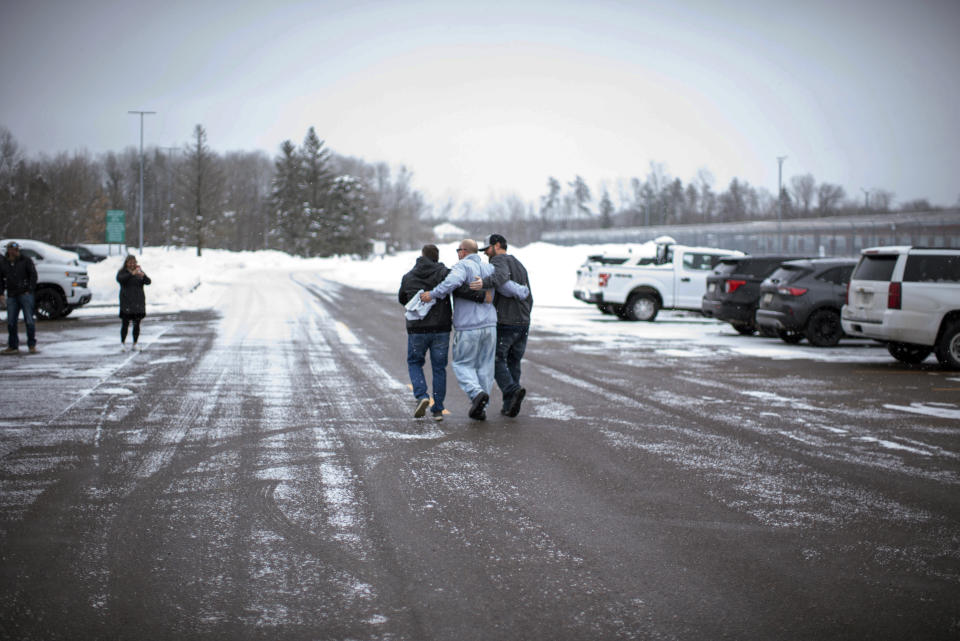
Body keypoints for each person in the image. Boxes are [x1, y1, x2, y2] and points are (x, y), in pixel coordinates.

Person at [421, 239, 528, 421]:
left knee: (462, 364)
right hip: (490, 326)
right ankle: (481, 407)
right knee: (486, 367)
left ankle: (476, 393)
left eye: (458, 250)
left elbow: (450, 284)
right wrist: (522, 291)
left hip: (468, 326)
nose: (458, 253)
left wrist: (432, 294)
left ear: (463, 251)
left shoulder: (462, 267)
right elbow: (507, 287)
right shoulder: (489, 269)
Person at [472, 234, 533, 417]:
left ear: (497, 245)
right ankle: (509, 406)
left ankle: (511, 390)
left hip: (506, 320)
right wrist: (526, 315)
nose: (486, 254)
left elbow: (500, 278)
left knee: (496, 359)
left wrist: (483, 283)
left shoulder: (498, 260)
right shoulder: (519, 264)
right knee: (513, 361)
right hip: (523, 322)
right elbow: (528, 294)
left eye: (487, 249)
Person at [0, 241, 38, 355]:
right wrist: (1, 293)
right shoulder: (4, 263)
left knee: (29, 320)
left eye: (16, 249)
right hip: (12, 295)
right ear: (8, 250)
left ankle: (31, 345)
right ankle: (13, 346)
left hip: (25, 294)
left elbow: (33, 275)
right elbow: (0, 279)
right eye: (11, 249)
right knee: (11, 322)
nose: (14, 251)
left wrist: (29, 290)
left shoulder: (26, 260)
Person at [117, 255, 151, 351]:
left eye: (134, 262)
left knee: (137, 324)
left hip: (138, 302)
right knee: (125, 324)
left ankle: (135, 343)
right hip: (126, 302)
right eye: (130, 263)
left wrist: (143, 276)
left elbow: (148, 282)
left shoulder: (139, 272)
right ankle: (122, 343)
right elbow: (121, 280)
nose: (132, 264)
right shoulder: (122, 272)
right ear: (126, 263)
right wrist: (132, 274)